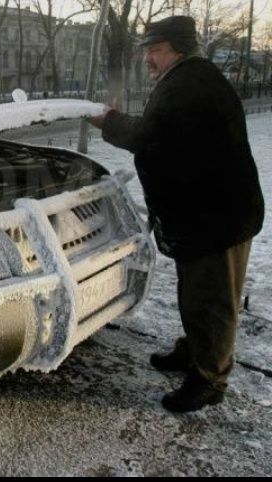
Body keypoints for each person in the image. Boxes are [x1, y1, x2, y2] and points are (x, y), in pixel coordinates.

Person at [88, 16, 265, 413]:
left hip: (218, 220)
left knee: (212, 301)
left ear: (179, 49)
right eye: (147, 50)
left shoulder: (190, 85)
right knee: (195, 293)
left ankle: (210, 378)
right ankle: (195, 351)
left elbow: (148, 136)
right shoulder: (187, 78)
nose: (148, 58)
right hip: (202, 217)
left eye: (155, 49)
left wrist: (107, 120)